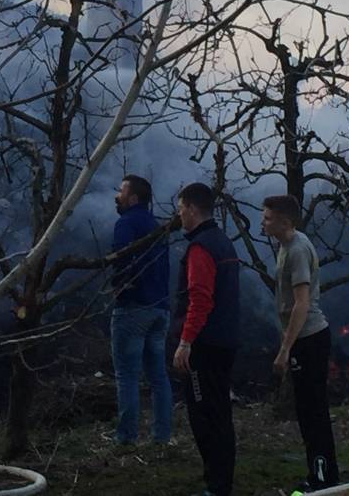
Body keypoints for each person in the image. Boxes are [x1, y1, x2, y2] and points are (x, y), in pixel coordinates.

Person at [262, 194, 339, 493]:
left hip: (309, 340)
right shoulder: (286, 245)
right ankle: (321, 474)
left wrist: (285, 348)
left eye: (268, 218)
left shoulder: (296, 250)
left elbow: (301, 303)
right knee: (308, 411)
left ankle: (321, 479)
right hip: (304, 340)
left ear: (285, 220)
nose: (262, 222)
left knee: (313, 412)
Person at [172, 183, 240, 496]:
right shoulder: (224, 242)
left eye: (180, 208)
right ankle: (221, 481)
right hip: (226, 340)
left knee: (205, 416)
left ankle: (216, 486)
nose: (179, 214)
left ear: (192, 209)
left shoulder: (200, 248)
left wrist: (185, 342)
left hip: (205, 345)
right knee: (220, 414)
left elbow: (200, 299)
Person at [109, 174, 172, 445]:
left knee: (127, 375)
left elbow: (121, 263)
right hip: (160, 309)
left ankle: (126, 438)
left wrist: (121, 291)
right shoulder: (157, 227)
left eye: (121, 191)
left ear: (133, 198)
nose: (117, 196)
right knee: (158, 376)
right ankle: (162, 436)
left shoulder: (126, 223)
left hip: (133, 308)